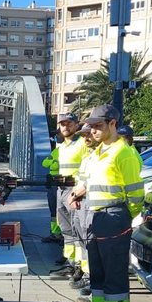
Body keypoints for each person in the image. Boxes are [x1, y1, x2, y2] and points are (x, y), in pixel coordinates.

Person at [67, 105, 143, 302]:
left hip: (113, 217)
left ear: (113, 124)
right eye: (93, 126)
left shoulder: (123, 153)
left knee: (114, 277)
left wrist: (125, 216)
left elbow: (135, 194)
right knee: (98, 275)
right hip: (95, 216)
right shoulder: (100, 152)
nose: (95, 130)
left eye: (100, 126)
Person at [50, 113, 88, 279]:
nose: (65, 127)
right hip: (61, 189)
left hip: (74, 191)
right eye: (62, 124)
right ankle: (70, 262)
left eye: (69, 123)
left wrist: (79, 192)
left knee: (77, 229)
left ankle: (81, 266)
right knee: (66, 229)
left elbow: (87, 169)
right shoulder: (62, 146)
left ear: (76, 125)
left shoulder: (82, 144)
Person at [42, 138, 62, 242]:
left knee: (62, 210)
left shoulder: (69, 151)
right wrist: (54, 162)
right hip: (52, 183)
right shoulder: (56, 151)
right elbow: (44, 163)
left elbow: (54, 165)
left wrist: (53, 162)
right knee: (53, 209)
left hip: (62, 184)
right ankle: (55, 233)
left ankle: (64, 235)